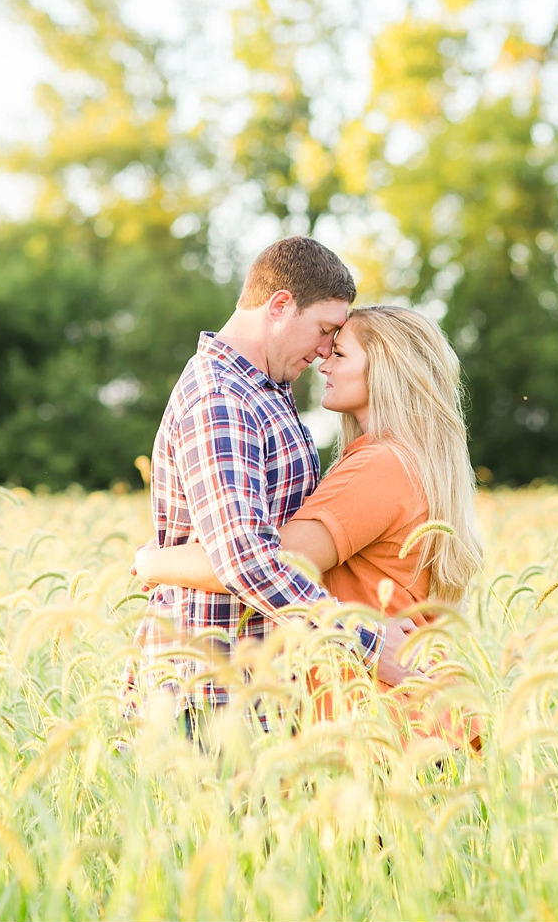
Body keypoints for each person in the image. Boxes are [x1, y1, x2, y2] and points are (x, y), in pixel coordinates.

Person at [136, 301, 485, 739]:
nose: (324, 362)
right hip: (404, 717)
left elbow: (261, 562)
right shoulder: (406, 460)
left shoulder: (378, 468)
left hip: (382, 722)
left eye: (340, 354)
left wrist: (153, 562)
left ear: (386, 368)